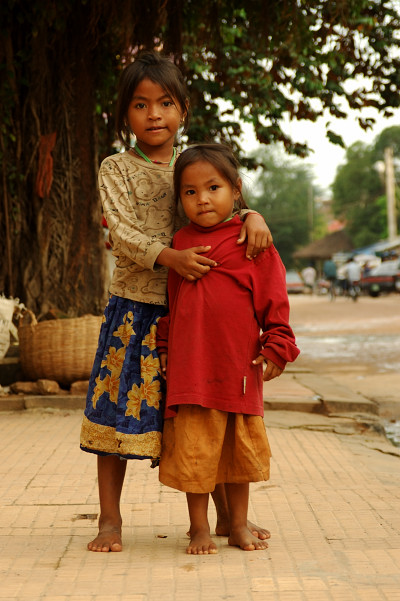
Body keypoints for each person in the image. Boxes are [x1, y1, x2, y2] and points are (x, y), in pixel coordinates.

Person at [79, 52, 272, 553]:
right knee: (115, 415)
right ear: (125, 114)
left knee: (210, 410)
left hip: (199, 315)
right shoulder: (116, 168)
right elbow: (119, 232)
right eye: (141, 105)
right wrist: (172, 257)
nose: (155, 114)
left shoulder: (192, 164)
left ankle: (229, 518)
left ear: (183, 109)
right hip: (137, 309)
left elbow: (224, 199)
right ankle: (109, 521)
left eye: (165, 102)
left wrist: (253, 215)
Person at [156, 144, 300, 555]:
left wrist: (277, 345)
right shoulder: (180, 242)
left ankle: (237, 524)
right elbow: (173, 302)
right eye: (189, 192)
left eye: (213, 187)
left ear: (235, 191)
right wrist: (164, 345)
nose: (202, 198)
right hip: (190, 367)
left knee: (238, 454)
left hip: (237, 366)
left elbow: (274, 299)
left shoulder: (252, 239)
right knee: (195, 451)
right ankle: (199, 528)